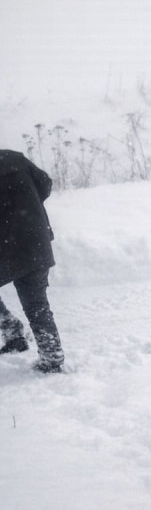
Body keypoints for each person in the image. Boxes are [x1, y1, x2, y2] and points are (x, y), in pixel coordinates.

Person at [0, 150, 64, 373]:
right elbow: (45, 184)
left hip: (5, 244)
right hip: (34, 240)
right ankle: (51, 356)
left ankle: (12, 330)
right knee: (36, 302)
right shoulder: (13, 158)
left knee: (35, 302)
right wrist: (26, 204)